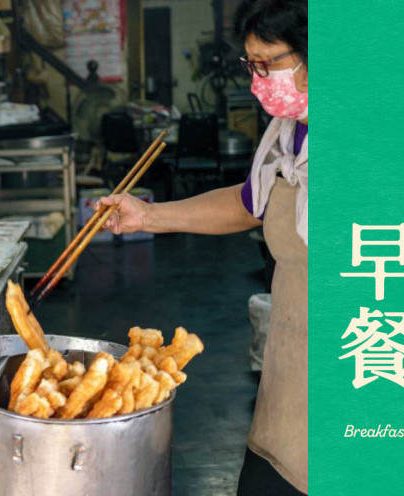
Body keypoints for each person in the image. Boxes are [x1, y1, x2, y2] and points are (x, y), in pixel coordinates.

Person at [97, 0, 308, 494]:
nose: (258, 79)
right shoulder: (290, 132)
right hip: (292, 362)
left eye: (269, 62)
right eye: (250, 64)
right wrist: (148, 215)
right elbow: (247, 203)